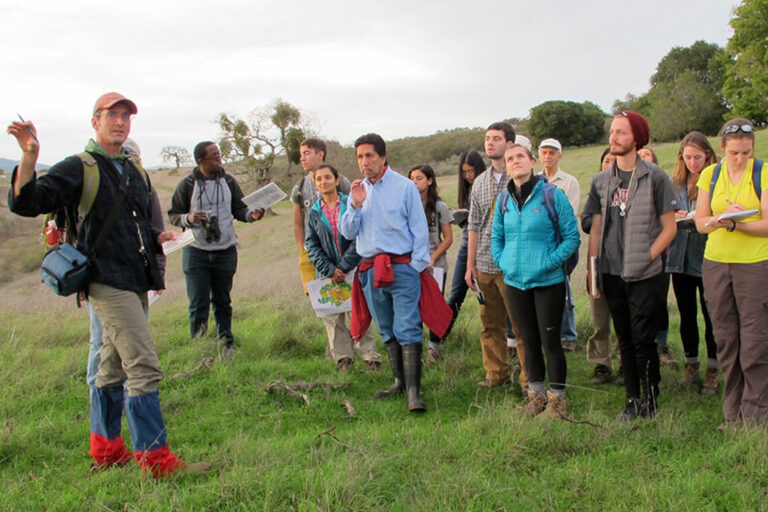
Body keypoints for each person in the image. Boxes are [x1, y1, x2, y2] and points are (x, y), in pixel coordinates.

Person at [7, 92, 209, 476]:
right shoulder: (79, 167)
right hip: (105, 280)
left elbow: (135, 224)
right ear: (95, 121)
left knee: (111, 368)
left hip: (136, 276)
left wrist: (158, 236)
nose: (120, 122)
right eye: (111, 115)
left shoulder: (133, 170)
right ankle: (156, 460)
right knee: (144, 365)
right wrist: (30, 154)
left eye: (125, 116)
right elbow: (27, 202)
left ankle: (106, 450)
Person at [340, 133, 450, 413]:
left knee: (408, 324)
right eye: (360, 157)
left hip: (401, 267)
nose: (364, 162)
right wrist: (355, 205)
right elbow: (347, 232)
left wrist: (414, 268)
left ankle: (415, 392)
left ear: (383, 157)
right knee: (386, 327)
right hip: (368, 270)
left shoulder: (404, 187)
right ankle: (399, 383)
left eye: (369, 156)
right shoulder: (357, 191)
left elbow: (419, 230)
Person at [583, 111, 677, 420]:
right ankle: (631, 399)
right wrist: (593, 269)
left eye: (621, 132)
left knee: (643, 339)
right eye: (612, 131)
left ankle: (650, 399)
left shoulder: (655, 177)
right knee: (623, 338)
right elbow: (593, 227)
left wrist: (648, 256)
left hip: (646, 273)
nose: (614, 137)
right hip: (610, 271)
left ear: (636, 138)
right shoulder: (601, 182)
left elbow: (670, 228)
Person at [492, 143, 580, 418]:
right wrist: (504, 262)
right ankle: (536, 398)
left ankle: (557, 402)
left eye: (520, 156)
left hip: (548, 283)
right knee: (528, 341)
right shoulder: (504, 201)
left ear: (532, 162)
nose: (515, 161)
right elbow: (496, 238)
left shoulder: (552, 196)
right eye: (510, 159)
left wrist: (547, 263)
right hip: (516, 283)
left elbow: (572, 238)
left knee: (551, 342)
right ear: (506, 166)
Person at [695, 118, 768, 428]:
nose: (740, 158)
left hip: (754, 265)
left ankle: (754, 415)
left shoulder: (762, 172)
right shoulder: (710, 175)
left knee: (754, 340)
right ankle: (731, 412)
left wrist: (737, 223)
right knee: (726, 338)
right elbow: (700, 222)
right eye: (735, 152)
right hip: (716, 263)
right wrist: (718, 221)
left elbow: (766, 226)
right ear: (722, 148)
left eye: (746, 153)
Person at [86, 138, 167, 403]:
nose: (129, 161)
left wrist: (158, 273)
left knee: (122, 350)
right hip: (102, 278)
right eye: (125, 156)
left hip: (136, 277)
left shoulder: (144, 186)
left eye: (134, 157)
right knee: (104, 344)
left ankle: (109, 432)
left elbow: (153, 228)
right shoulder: (94, 182)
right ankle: (102, 403)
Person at [168, 141, 265, 353]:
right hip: (196, 253)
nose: (219, 159)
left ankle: (226, 343)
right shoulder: (187, 185)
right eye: (214, 156)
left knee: (223, 301)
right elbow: (174, 215)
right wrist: (190, 218)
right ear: (201, 161)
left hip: (225, 251)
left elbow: (239, 209)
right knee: (198, 304)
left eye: (219, 155)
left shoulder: (229, 181)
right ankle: (200, 346)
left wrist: (252, 215)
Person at [465, 122, 527, 390]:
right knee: (490, 325)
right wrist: (470, 266)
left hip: (514, 264)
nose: (489, 143)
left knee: (522, 326)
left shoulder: (522, 176)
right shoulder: (479, 181)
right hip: (484, 264)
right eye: (487, 139)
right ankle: (496, 374)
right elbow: (473, 225)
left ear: (510, 144)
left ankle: (529, 381)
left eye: (496, 139)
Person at [304, 164, 381, 372]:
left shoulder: (351, 203)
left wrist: (344, 266)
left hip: (353, 269)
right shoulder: (313, 212)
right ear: (315, 184)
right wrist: (330, 269)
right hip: (328, 274)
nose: (323, 182)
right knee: (333, 317)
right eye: (319, 179)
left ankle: (370, 356)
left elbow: (361, 236)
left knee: (359, 312)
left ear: (337, 180)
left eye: (328, 177)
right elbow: (310, 244)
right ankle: (343, 358)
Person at [668, 132, 718, 394]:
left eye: (697, 157)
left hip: (708, 255)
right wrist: (672, 215)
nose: (692, 163)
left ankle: (713, 367)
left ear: (708, 155)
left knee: (711, 316)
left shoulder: (717, 180)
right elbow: (663, 214)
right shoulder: (674, 183)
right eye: (687, 157)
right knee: (687, 315)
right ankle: (691, 364)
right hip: (680, 258)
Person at [291, 138, 351, 294]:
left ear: (320, 155)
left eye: (306, 153)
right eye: (301, 154)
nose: (302, 158)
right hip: (315, 253)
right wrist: (303, 251)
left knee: (352, 306)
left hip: (343, 253)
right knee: (325, 303)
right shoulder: (299, 188)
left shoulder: (342, 182)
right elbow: (298, 223)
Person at [538, 138, 580, 352]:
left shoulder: (569, 182)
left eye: (552, 152)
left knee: (564, 290)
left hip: (562, 243)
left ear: (559, 155)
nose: (548, 156)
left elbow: (569, 216)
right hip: (541, 245)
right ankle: (548, 333)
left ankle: (568, 336)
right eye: (544, 152)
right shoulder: (535, 181)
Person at [408, 165, 453, 364]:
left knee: (434, 306)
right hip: (412, 265)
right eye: (412, 178)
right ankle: (414, 349)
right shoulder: (406, 205)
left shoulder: (439, 207)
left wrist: (432, 257)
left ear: (429, 181)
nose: (415, 182)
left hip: (435, 265)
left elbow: (448, 238)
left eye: (419, 178)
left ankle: (434, 349)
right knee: (413, 307)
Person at [582, 149, 619, 385]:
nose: (609, 165)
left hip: (624, 262)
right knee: (599, 318)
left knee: (623, 317)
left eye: (613, 161)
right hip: (597, 261)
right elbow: (585, 221)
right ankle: (602, 364)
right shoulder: (596, 191)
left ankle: (626, 363)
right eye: (605, 161)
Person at [446, 150, 486, 319]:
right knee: (455, 295)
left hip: (485, 247)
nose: (469, 175)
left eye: (471, 171)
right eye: (465, 172)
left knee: (490, 298)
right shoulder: (466, 190)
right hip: (465, 245)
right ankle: (437, 339)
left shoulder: (487, 187)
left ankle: (509, 339)